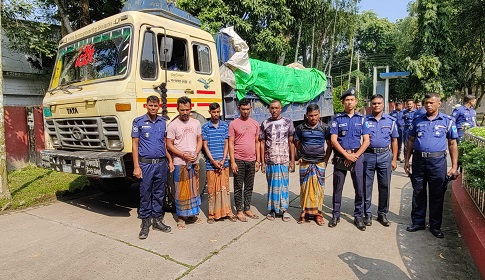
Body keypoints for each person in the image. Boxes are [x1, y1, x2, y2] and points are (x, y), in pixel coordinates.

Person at [404, 93, 459, 238]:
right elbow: (410, 140)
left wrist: (454, 166)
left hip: (437, 162)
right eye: (426, 102)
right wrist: (406, 160)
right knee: (418, 191)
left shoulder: (447, 121)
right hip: (419, 160)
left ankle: (435, 226)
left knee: (437, 194)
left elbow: (453, 144)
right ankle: (418, 222)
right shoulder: (417, 120)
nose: (428, 105)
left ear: (439, 104)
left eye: (431, 103)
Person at [132, 95, 172, 239]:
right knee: (145, 193)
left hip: (161, 164)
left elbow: (165, 143)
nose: (153, 108)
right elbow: (135, 145)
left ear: (159, 107)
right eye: (150, 105)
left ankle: (157, 220)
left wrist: (170, 161)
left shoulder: (163, 122)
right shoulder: (139, 122)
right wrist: (136, 166)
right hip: (145, 164)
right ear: (146, 106)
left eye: (155, 106)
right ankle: (145, 223)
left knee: (159, 193)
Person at [329, 87, 370, 231]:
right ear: (343, 102)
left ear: (356, 102)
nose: (349, 103)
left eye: (352, 100)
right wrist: (346, 156)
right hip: (341, 157)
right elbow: (333, 140)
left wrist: (355, 156)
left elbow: (366, 141)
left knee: (359, 188)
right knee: (337, 187)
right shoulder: (337, 119)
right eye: (347, 100)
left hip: (357, 157)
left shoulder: (362, 119)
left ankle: (358, 217)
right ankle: (335, 214)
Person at [167, 96, 203, 230]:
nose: (185, 112)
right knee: (180, 190)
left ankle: (193, 214)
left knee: (194, 188)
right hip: (180, 162)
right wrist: (183, 155)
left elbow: (199, 139)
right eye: (182, 110)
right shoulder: (173, 125)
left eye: (187, 109)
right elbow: (169, 144)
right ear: (177, 109)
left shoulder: (196, 123)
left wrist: (196, 153)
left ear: (191, 108)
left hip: (194, 161)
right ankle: (181, 217)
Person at [363, 94, 399, 227]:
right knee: (367, 185)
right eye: (374, 103)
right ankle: (367, 213)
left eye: (379, 103)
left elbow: (395, 140)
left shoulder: (391, 121)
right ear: (370, 105)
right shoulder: (364, 120)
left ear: (383, 105)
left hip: (385, 155)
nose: (376, 105)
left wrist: (394, 159)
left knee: (385, 186)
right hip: (369, 155)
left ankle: (382, 213)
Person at [294, 104, 332, 226]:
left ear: (319, 114)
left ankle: (318, 214)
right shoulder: (300, 128)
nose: (313, 118)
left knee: (318, 189)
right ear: (306, 115)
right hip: (305, 163)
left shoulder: (325, 128)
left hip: (319, 162)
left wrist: (326, 160)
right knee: (305, 189)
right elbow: (296, 142)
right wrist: (302, 155)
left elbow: (330, 145)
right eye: (310, 116)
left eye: (315, 115)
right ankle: (304, 213)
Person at [260, 99, 295, 222]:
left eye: (276, 108)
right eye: (272, 108)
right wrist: (262, 162)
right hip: (270, 160)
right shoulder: (265, 123)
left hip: (284, 159)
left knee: (284, 186)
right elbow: (262, 143)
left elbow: (291, 143)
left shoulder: (288, 123)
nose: (274, 110)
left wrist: (292, 160)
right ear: (269, 109)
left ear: (281, 109)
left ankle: (285, 210)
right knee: (272, 186)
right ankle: (273, 210)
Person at [202, 103, 237, 224]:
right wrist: (212, 160)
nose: (216, 114)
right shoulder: (205, 127)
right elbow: (205, 145)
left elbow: (227, 143)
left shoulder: (224, 126)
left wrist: (223, 159)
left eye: (217, 112)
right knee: (212, 190)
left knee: (224, 188)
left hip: (223, 163)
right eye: (213, 112)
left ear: (220, 111)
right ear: (209, 112)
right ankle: (212, 214)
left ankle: (227, 212)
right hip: (211, 164)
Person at [229, 98, 261, 222]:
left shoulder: (255, 124)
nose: (246, 112)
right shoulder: (234, 124)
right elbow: (231, 143)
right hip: (238, 159)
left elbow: (257, 142)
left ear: (251, 109)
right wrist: (232, 161)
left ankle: (247, 208)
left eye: (248, 109)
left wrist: (258, 160)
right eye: (243, 109)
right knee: (238, 186)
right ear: (239, 109)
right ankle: (239, 210)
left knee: (249, 186)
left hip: (251, 160)